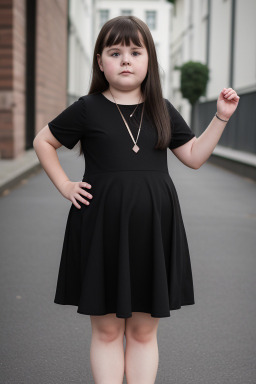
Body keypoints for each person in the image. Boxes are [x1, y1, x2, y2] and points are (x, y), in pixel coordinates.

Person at [33, 15, 240, 384]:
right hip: (102, 229)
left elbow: (193, 156)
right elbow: (42, 141)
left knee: (144, 333)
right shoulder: (88, 107)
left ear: (149, 60)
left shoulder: (160, 107)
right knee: (108, 332)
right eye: (115, 52)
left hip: (152, 231)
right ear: (100, 61)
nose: (125, 59)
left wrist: (221, 119)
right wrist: (65, 185)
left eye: (134, 51)